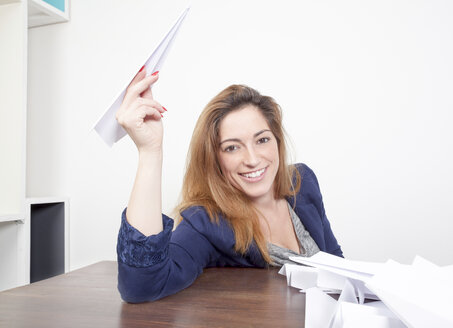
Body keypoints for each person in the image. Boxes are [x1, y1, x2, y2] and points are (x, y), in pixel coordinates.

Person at [115, 67, 343, 303]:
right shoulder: (207, 222)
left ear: (277, 140)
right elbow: (141, 286)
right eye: (232, 147)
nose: (253, 159)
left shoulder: (302, 182)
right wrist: (150, 151)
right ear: (215, 158)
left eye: (262, 139)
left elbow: (336, 265)